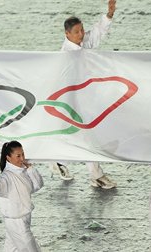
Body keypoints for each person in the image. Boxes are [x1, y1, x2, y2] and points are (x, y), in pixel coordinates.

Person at [48, 0, 117, 189]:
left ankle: (60, 162)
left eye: (82, 30)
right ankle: (96, 175)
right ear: (67, 33)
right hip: (76, 103)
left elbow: (97, 33)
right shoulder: (66, 56)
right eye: (77, 32)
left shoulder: (82, 42)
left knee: (82, 137)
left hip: (87, 100)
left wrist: (109, 15)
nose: (81, 34)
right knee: (89, 138)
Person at [0, 141, 43, 251]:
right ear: (8, 158)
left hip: (22, 220)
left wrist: (30, 169)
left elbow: (37, 185)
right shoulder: (7, 176)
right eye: (18, 156)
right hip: (17, 222)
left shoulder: (23, 172)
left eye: (22, 155)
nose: (22, 159)